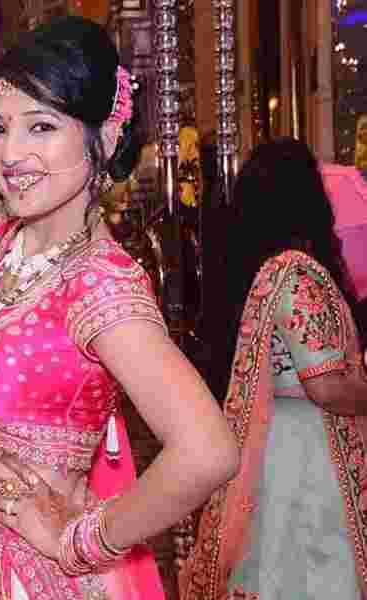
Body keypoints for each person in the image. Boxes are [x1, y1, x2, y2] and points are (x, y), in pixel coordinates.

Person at [0, 16, 239, 600]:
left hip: (24, 579)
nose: (11, 153)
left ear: (106, 139)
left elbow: (209, 451)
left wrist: (82, 542)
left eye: (41, 126)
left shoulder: (100, 285)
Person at [179, 139, 367, 600]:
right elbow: (325, 386)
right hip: (307, 454)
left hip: (275, 442)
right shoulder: (295, 272)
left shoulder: (256, 268)